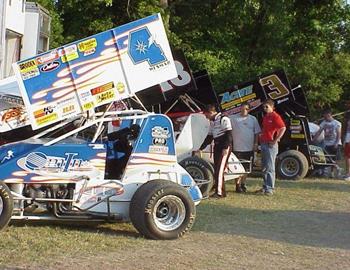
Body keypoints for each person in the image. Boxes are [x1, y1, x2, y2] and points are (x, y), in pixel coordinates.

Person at [199, 104, 233, 198]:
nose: (206, 117)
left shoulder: (224, 119)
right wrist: (200, 148)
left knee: (219, 169)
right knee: (217, 169)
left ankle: (219, 193)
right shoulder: (213, 121)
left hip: (224, 146)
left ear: (211, 112)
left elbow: (229, 134)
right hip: (217, 146)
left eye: (206, 115)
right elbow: (209, 137)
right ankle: (221, 191)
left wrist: (225, 148)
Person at [230, 102, 261, 192]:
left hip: (249, 148)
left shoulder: (253, 119)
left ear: (249, 110)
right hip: (237, 148)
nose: (244, 111)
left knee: (246, 168)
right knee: (237, 168)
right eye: (242, 109)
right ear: (240, 109)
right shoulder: (233, 118)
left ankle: (243, 184)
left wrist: (255, 144)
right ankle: (237, 185)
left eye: (246, 109)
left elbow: (256, 133)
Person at [257, 99, 286, 195]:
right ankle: (265, 186)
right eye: (264, 107)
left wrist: (275, 140)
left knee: (270, 167)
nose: (265, 109)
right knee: (265, 167)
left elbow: (283, 128)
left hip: (270, 145)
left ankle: (270, 188)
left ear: (272, 107)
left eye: (267, 107)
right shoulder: (266, 117)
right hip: (264, 143)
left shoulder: (275, 116)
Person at [313, 108, 342, 178]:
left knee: (335, 158)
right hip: (327, 144)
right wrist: (313, 139)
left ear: (329, 114)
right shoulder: (324, 123)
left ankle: (333, 173)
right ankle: (336, 169)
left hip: (335, 143)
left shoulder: (337, 123)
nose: (324, 117)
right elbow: (319, 131)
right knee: (327, 158)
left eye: (325, 116)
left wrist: (336, 143)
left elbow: (339, 133)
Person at [342, 112, 350, 180]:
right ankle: (348, 174)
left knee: (348, 157)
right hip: (348, 139)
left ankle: (348, 174)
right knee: (347, 157)